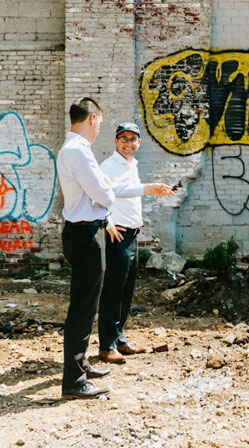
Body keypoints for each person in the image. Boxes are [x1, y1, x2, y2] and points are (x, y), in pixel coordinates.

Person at [56, 98, 123, 400]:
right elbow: (104, 196)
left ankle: (80, 364)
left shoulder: (71, 149)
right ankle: (74, 381)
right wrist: (106, 187)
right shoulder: (79, 151)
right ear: (93, 118)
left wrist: (103, 187)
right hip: (86, 234)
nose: (99, 130)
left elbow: (98, 192)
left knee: (84, 303)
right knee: (83, 307)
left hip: (81, 231)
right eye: (99, 124)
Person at [98, 122, 174, 363]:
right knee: (113, 291)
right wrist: (108, 222)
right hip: (118, 235)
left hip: (132, 234)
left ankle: (119, 339)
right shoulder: (108, 166)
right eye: (124, 138)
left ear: (139, 143)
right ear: (115, 141)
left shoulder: (132, 164)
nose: (128, 143)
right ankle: (106, 346)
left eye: (133, 139)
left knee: (126, 291)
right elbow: (106, 193)